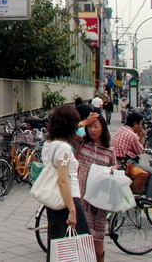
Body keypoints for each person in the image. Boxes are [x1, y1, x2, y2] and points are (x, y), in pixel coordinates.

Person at [42, 105, 92, 261]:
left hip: (54, 200)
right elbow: (64, 181)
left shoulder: (48, 144)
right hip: (69, 199)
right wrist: (72, 210)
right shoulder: (63, 148)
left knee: (57, 247)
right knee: (81, 248)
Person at [76, 114, 116, 262]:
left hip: (99, 200)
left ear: (103, 128)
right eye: (90, 127)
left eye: (96, 127)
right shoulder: (81, 144)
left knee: (98, 237)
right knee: (82, 236)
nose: (92, 130)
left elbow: (114, 170)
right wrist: (82, 123)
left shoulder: (109, 151)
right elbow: (65, 131)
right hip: (81, 197)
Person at [111, 111, 152, 199]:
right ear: (135, 124)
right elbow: (140, 151)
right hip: (127, 162)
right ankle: (149, 199)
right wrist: (141, 137)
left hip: (118, 161)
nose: (141, 126)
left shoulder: (121, 130)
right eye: (140, 124)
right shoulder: (132, 135)